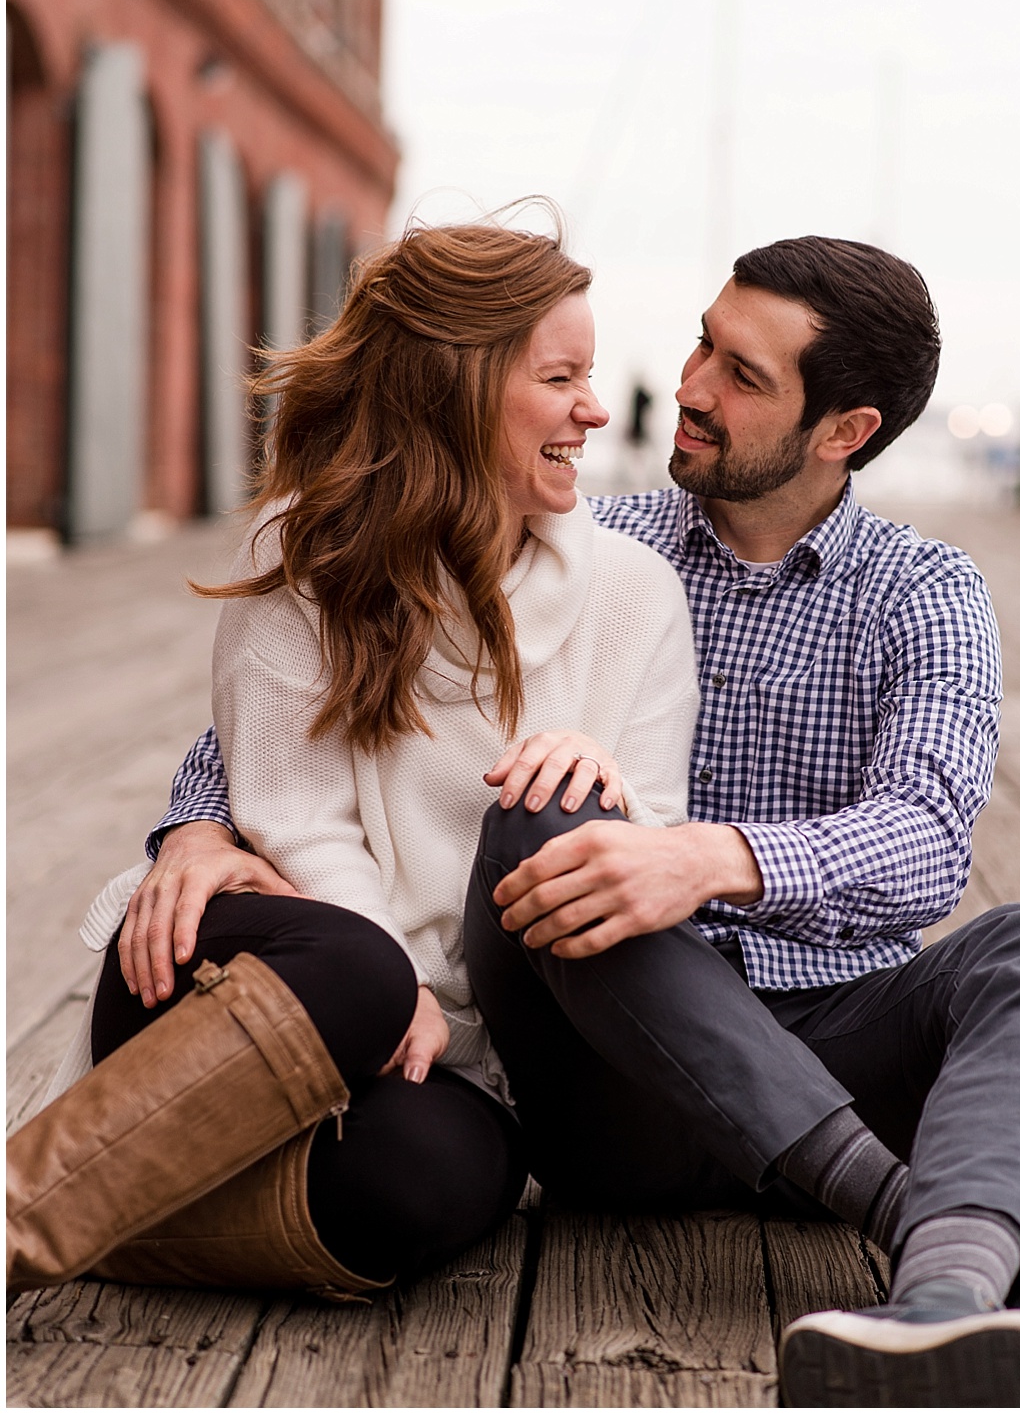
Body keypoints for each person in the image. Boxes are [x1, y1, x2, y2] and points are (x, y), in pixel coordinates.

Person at [117, 237, 1020, 1406]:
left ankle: (945, 1305)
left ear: (843, 429)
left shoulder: (924, 591)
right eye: (704, 342)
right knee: (548, 810)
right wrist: (195, 825)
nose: (690, 385)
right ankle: (904, 1208)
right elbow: (324, 679)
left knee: (1012, 952)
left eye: (742, 376)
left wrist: (701, 859)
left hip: (837, 1041)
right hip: (607, 1073)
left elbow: (929, 838)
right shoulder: (589, 543)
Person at [8, 222, 700, 1299]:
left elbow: (649, 833)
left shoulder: (637, 595)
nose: (595, 411)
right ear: (455, 392)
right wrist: (390, 987)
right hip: (263, 966)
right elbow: (292, 811)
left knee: (430, 1183)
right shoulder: (303, 551)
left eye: (592, 377)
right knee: (359, 971)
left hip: (457, 1046)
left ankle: (102, 1214)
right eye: (560, 377)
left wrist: (595, 784)